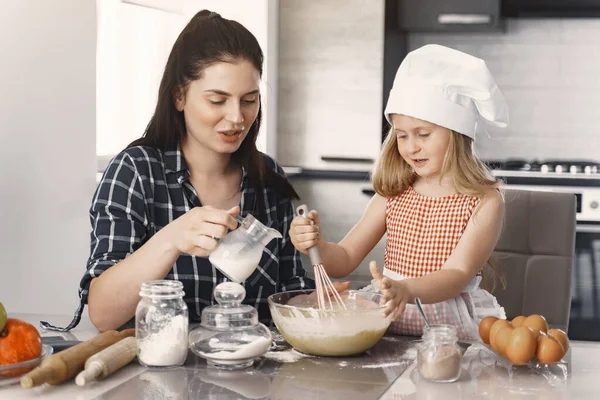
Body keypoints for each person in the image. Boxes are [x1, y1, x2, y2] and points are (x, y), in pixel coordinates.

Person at [42, 10, 314, 333]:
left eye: (249, 100)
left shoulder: (267, 176)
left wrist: (321, 305)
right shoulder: (136, 173)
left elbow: (289, 293)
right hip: (156, 379)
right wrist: (172, 238)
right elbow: (102, 313)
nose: (237, 117)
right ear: (179, 96)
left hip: (258, 378)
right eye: (217, 100)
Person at [290, 44, 508, 339]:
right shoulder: (394, 192)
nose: (410, 147)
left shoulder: (484, 200)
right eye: (401, 135)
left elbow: (456, 275)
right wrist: (315, 244)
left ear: (459, 133)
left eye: (423, 134)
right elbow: (343, 259)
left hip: (450, 333)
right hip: (388, 324)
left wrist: (406, 289)